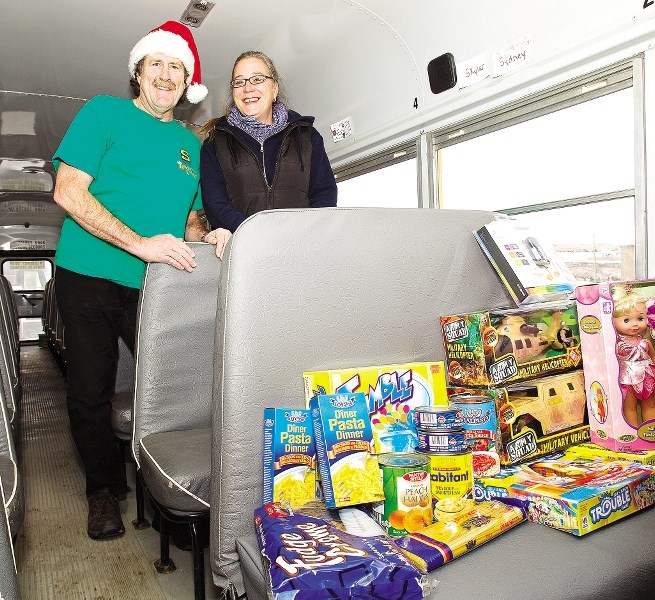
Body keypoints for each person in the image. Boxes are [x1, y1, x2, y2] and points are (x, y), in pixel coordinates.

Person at [52, 20, 230, 540]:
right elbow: (69, 192)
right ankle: (102, 491)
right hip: (86, 274)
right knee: (90, 390)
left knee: (175, 382)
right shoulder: (103, 113)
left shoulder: (191, 145)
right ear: (139, 73)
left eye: (178, 67)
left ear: (187, 82)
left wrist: (212, 236)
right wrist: (139, 244)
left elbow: (190, 223)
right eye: (158, 63)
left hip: (154, 284)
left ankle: (170, 480)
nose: (167, 74)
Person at [199, 50, 338, 232]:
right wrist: (256, 234)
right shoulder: (214, 143)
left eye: (257, 79)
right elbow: (215, 205)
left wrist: (304, 234)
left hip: (302, 245)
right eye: (239, 82)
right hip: (245, 248)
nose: (248, 88)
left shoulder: (307, 137)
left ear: (275, 89)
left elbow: (324, 195)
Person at [611, 284, 655, 428]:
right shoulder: (616, 343)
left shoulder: (645, 342)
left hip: (648, 376)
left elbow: (653, 358)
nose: (634, 325)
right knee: (629, 407)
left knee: (649, 406)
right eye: (626, 320)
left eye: (640, 319)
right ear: (613, 321)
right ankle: (632, 432)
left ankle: (650, 431)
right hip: (627, 378)